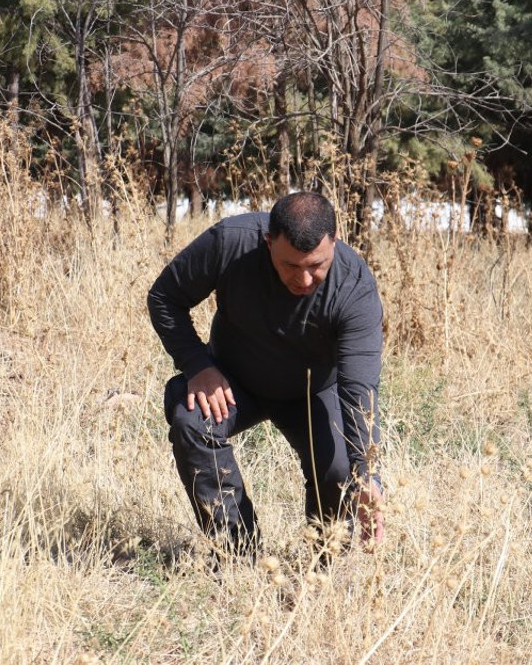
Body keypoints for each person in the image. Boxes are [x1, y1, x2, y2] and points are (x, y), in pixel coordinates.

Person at [147, 192, 384, 557]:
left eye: (316, 265)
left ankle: (325, 560)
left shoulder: (354, 288)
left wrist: (367, 476)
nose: (304, 279)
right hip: (234, 380)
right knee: (191, 420)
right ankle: (237, 553)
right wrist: (197, 365)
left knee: (340, 470)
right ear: (268, 241)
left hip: (312, 391)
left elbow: (359, 389)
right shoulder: (230, 243)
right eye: (290, 265)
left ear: (335, 241)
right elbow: (165, 297)